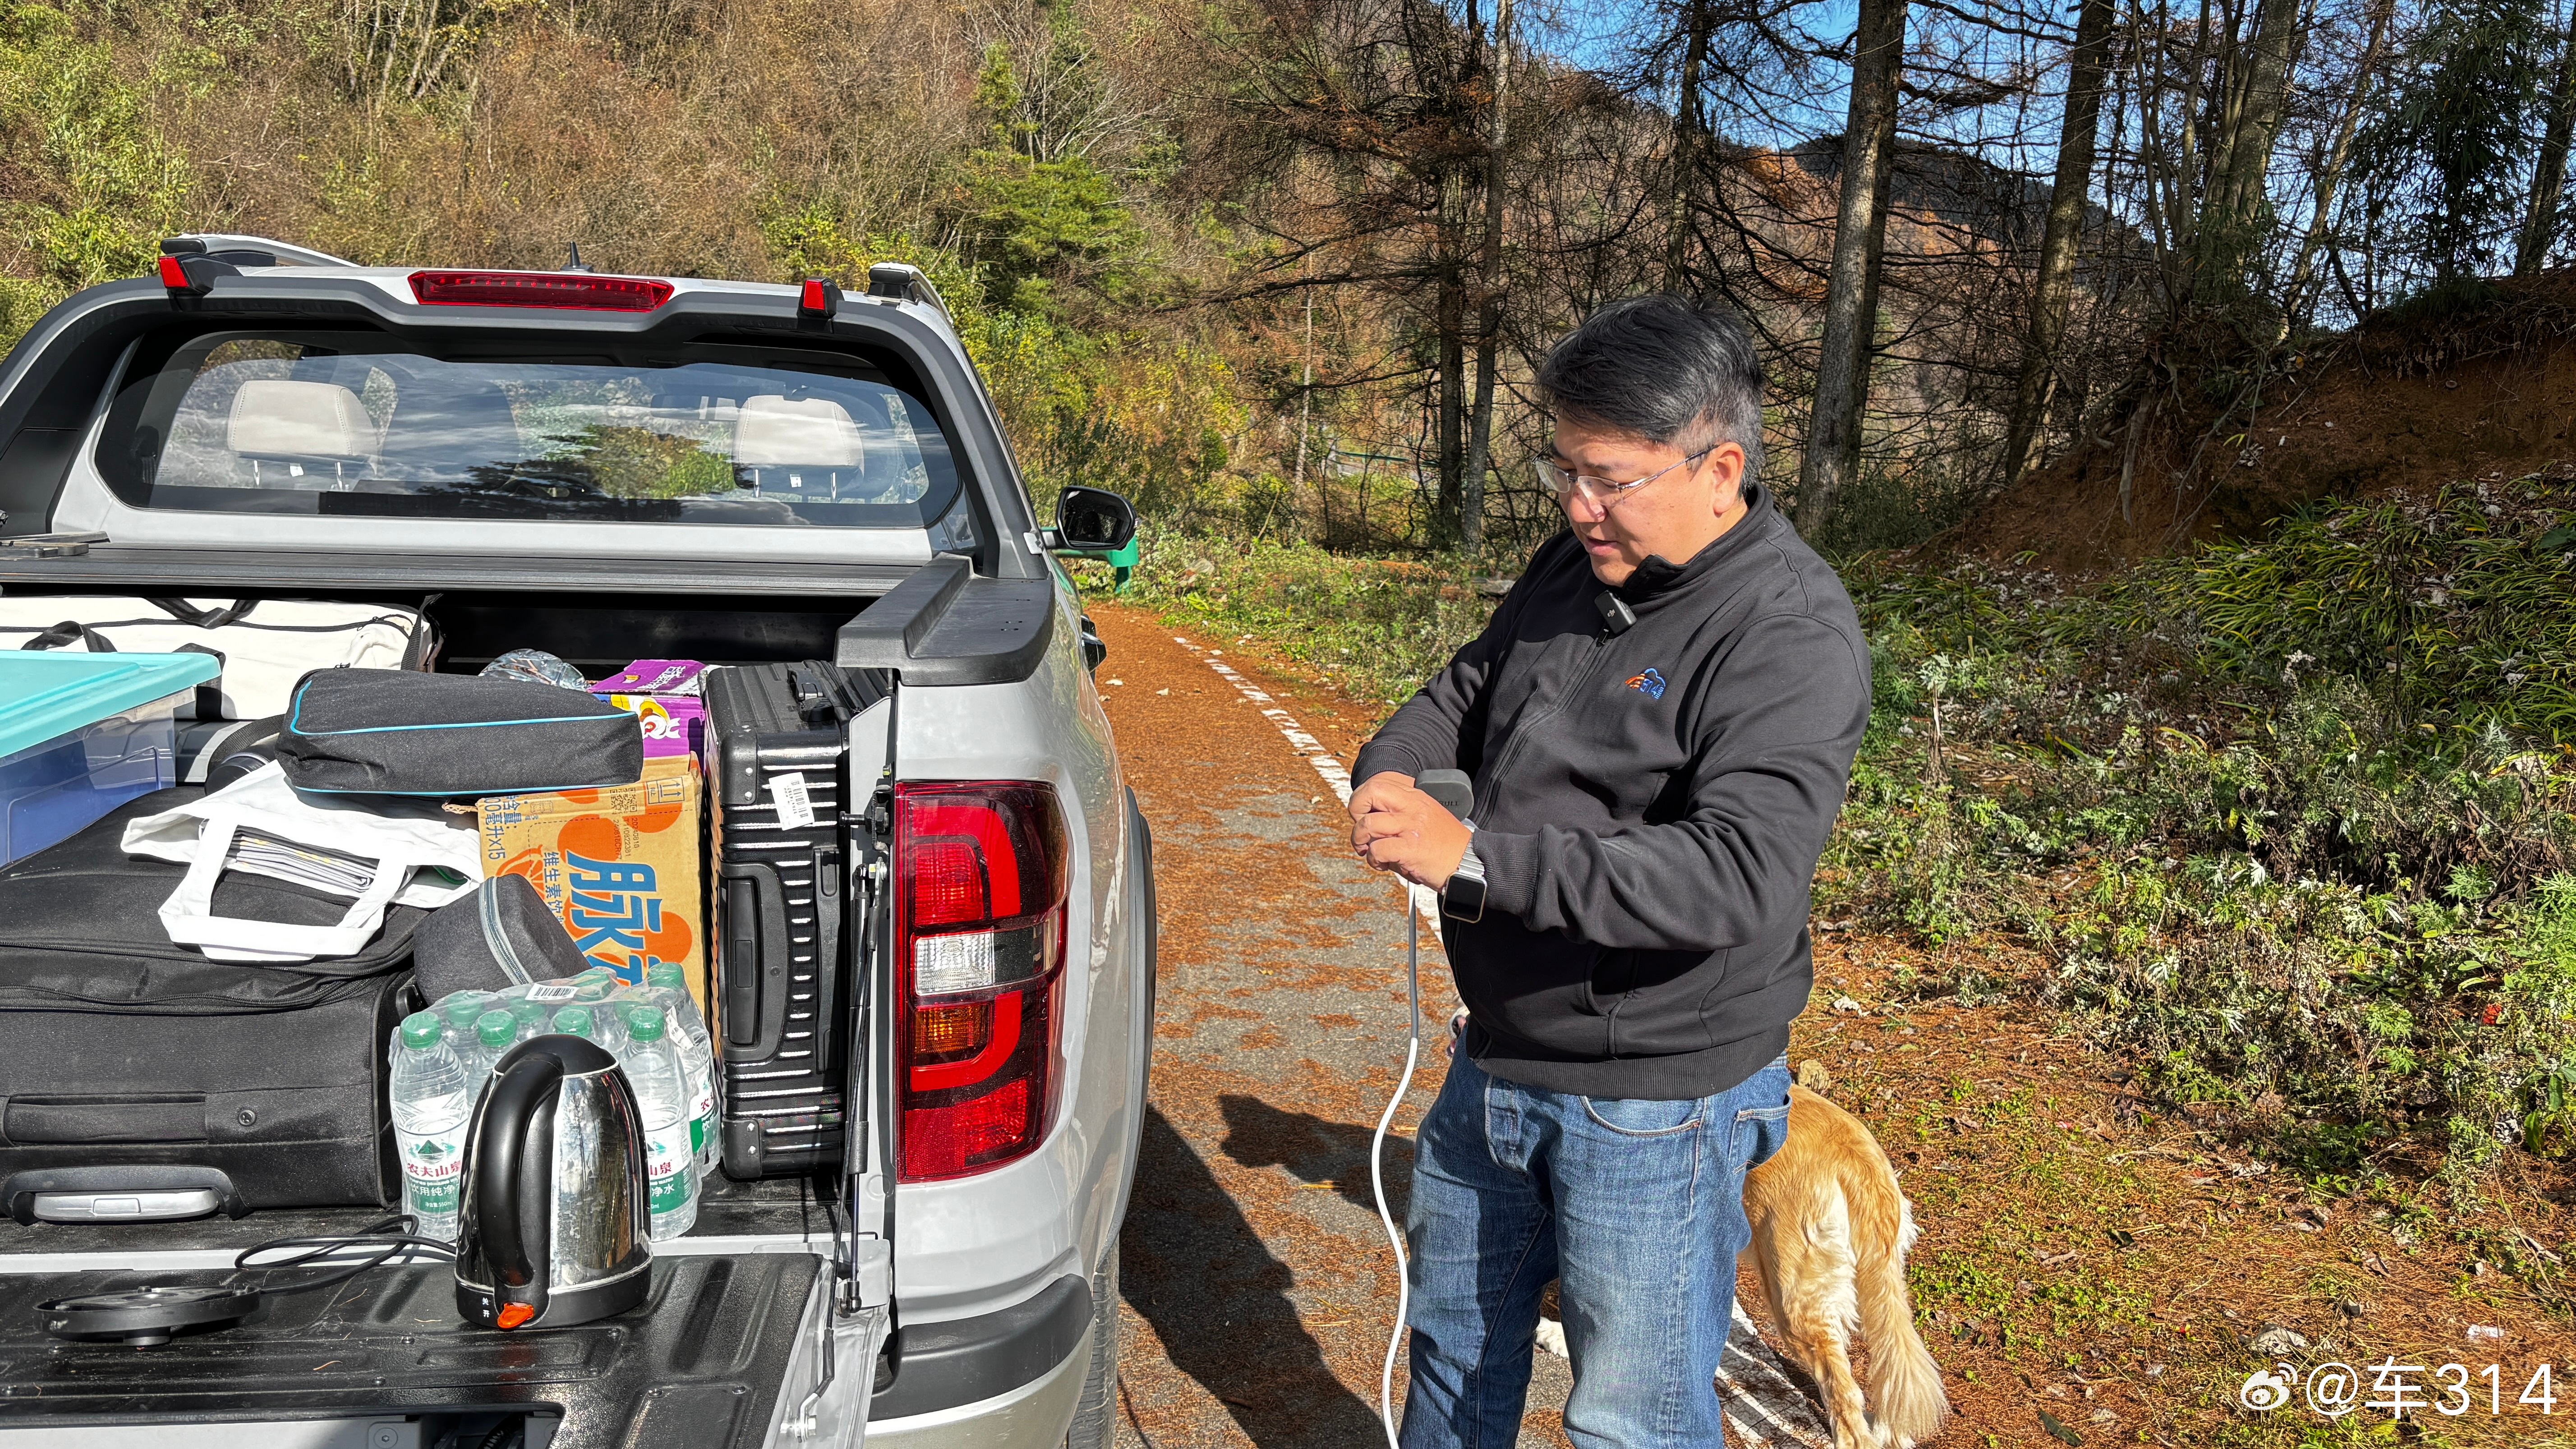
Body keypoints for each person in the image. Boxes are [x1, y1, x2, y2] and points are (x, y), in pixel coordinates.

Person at [1347, 294, 1872, 1447]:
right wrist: (1393, 771)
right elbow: (1464, 691)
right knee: (1452, 1353)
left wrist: (1478, 858)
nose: (1580, 505)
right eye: (1564, 470)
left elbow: (1738, 875)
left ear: (1719, 465)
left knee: (1630, 1417)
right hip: (1497, 1059)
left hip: (1656, 1102)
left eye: (1611, 477)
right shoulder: (1575, 563)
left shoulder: (1789, 632)